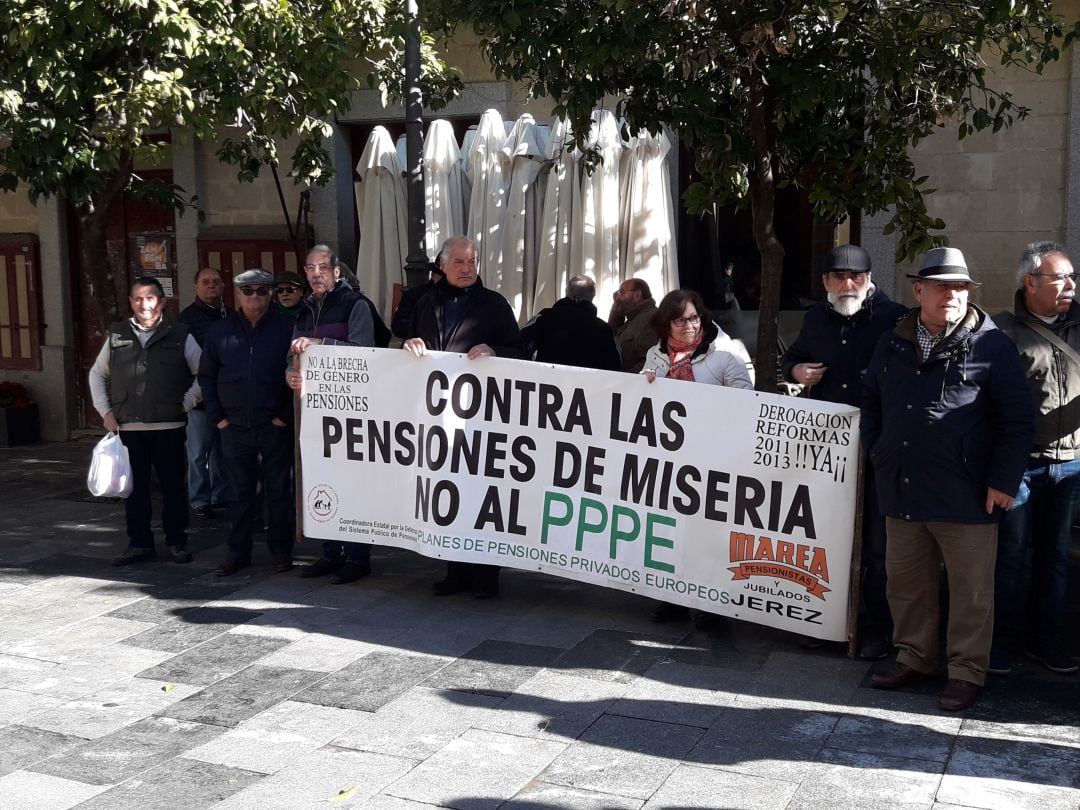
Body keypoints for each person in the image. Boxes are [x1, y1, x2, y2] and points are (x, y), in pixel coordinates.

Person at [862, 247, 1033, 711]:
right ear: (919, 291)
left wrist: (1002, 480)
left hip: (968, 491)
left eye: (960, 287)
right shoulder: (892, 338)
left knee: (971, 590)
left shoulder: (992, 345)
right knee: (906, 582)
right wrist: (877, 452)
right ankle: (914, 656)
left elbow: (1017, 421)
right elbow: (871, 400)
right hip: (902, 484)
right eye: (941, 287)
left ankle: (965, 671)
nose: (952, 296)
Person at [782, 244, 907, 659]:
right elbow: (796, 358)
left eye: (856, 277)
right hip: (827, 454)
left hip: (879, 451)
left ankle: (873, 628)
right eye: (838, 277)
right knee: (831, 540)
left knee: (876, 544)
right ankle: (828, 622)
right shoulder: (817, 317)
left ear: (870, 280)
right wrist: (796, 371)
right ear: (825, 283)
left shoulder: (896, 319)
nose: (847, 284)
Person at [403, 235, 525, 598]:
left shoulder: (494, 304)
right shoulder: (425, 303)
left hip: (484, 417)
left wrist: (495, 350)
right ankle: (454, 570)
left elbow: (519, 351)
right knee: (447, 495)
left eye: (472, 261)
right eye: (459, 262)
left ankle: (487, 576)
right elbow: (409, 344)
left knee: (482, 496)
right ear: (442, 265)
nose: (468, 268)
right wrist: (410, 345)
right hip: (439, 417)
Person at [990, 241, 1079, 675]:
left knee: (1055, 555)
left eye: (1072, 277)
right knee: (1011, 555)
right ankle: (1003, 642)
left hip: (1073, 461)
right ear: (1030, 282)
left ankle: (1047, 641)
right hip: (1021, 464)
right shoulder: (1001, 331)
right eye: (1059, 277)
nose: (1070, 285)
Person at [643, 289, 752, 627]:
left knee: (707, 533)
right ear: (666, 324)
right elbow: (641, 403)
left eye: (694, 318)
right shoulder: (656, 355)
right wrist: (643, 383)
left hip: (711, 461)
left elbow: (746, 397)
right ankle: (672, 597)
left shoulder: (723, 354)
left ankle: (710, 603)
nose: (689, 326)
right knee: (670, 530)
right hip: (669, 462)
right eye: (680, 320)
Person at [89, 276, 201, 566]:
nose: (144, 304)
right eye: (138, 298)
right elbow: (96, 374)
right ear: (131, 302)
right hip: (129, 428)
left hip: (169, 427)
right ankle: (139, 543)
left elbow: (205, 373)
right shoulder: (117, 335)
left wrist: (187, 402)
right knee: (133, 489)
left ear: (161, 302)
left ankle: (177, 541)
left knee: (173, 487)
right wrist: (105, 412)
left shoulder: (180, 334)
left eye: (150, 298)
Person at [286, 244, 377, 584]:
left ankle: (357, 557)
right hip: (316, 412)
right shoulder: (305, 309)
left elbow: (365, 355)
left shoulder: (356, 305)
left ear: (337, 272)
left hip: (353, 412)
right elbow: (293, 355)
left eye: (322, 266)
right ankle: (330, 552)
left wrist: (321, 344)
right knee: (321, 479)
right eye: (310, 267)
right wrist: (291, 374)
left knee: (353, 483)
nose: (315, 273)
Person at [200, 269, 296, 577]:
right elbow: (207, 376)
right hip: (235, 427)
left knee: (279, 490)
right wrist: (219, 418)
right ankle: (238, 551)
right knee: (239, 492)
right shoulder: (219, 331)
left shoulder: (287, 329)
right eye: (248, 291)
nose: (255, 296)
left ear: (270, 294)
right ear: (238, 294)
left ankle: (281, 550)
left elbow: (298, 375)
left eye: (262, 291)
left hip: (273, 425)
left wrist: (284, 416)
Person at [178, 267, 231, 518]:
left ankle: (220, 495)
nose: (211, 286)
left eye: (216, 282)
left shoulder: (230, 315)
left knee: (222, 452)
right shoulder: (185, 320)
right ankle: (199, 498)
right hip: (199, 398)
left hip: (227, 397)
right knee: (198, 452)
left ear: (223, 287)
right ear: (196, 287)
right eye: (206, 282)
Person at [521, 275, 621, 370]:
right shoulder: (604, 329)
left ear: (567, 292)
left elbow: (520, 343)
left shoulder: (544, 318)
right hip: (587, 384)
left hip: (545, 381)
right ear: (592, 297)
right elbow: (616, 364)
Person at [609, 278, 659, 373]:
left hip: (633, 383)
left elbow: (649, 361)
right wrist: (616, 307)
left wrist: (625, 379)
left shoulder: (650, 319)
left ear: (637, 295)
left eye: (621, 292)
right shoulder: (633, 317)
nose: (618, 297)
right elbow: (610, 335)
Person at [392, 260, 444, 340]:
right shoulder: (415, 295)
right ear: (433, 275)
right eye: (443, 277)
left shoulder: (466, 298)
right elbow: (398, 326)